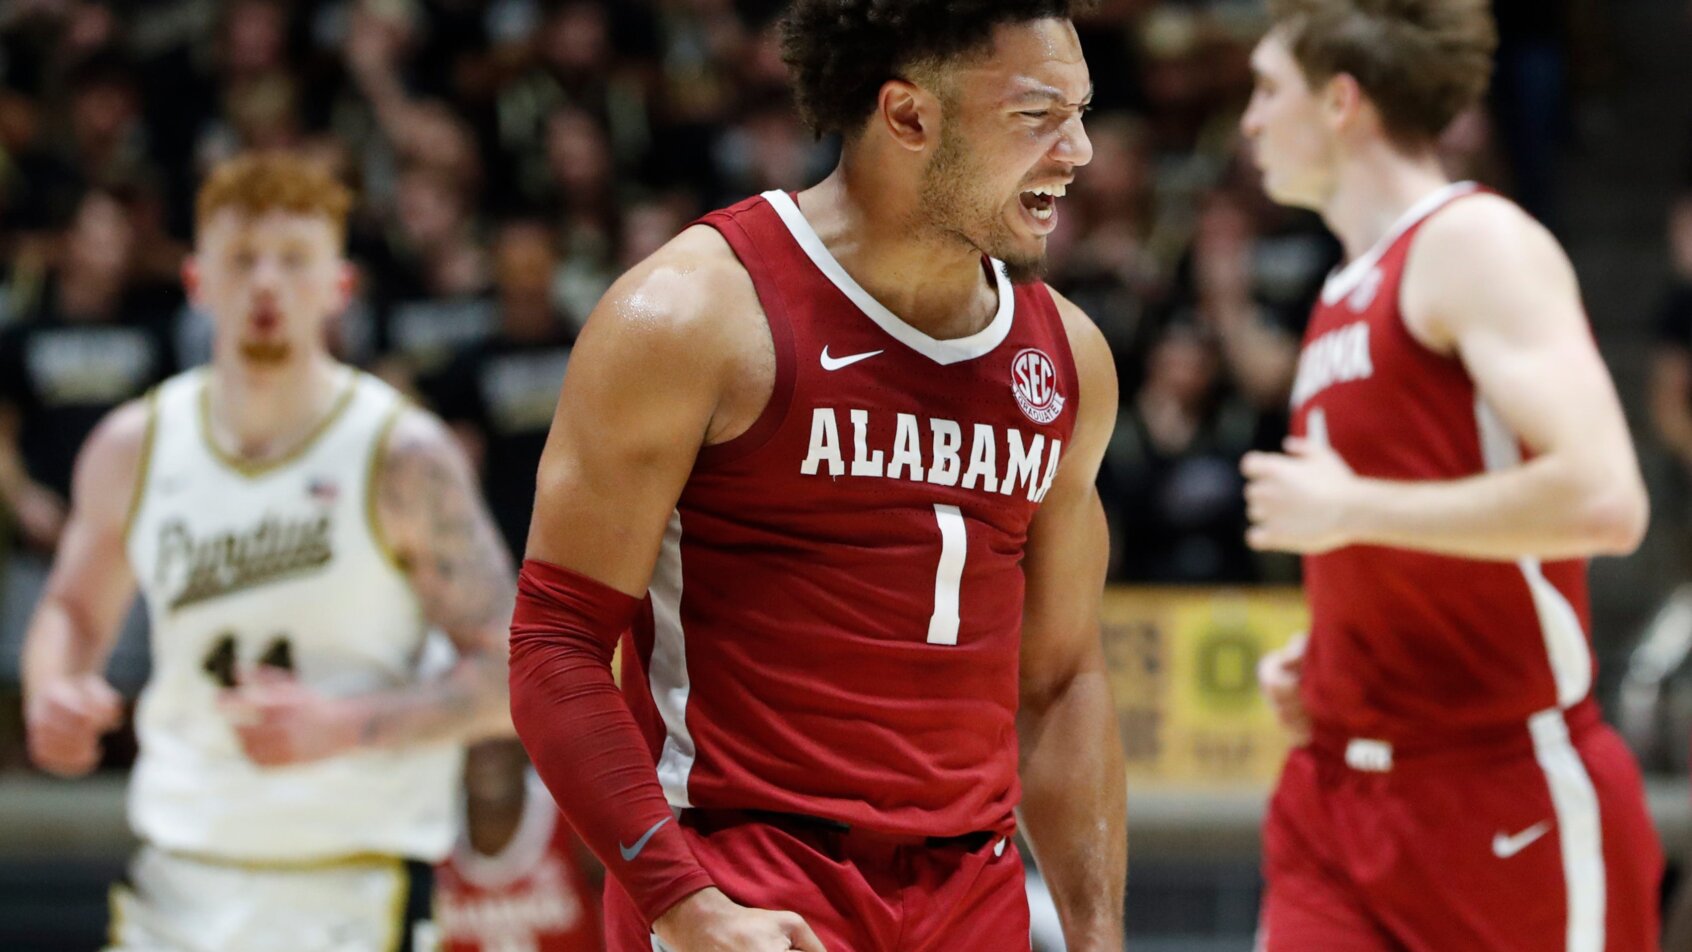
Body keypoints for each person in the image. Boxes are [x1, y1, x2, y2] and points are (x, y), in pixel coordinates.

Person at [506, 1, 1128, 950]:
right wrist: (682, 904)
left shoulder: (1068, 359)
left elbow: (1061, 680)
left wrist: (1095, 935)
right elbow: (554, 644)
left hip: (974, 893)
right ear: (909, 117)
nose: (1079, 150)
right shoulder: (693, 316)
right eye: (1037, 115)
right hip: (749, 882)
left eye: (1082, 111)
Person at [1238, 2, 1661, 950]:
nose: (1250, 121)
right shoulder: (1345, 287)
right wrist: (1335, 651)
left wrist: (1350, 506)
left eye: (1268, 89)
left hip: (1500, 794)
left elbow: (1603, 498)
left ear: (1342, 100)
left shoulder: (1475, 245)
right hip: (1337, 787)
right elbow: (1408, 526)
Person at [20, 152, 517, 952]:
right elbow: (75, 608)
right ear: (195, 282)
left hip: (356, 883)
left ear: (339, 288)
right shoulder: (133, 445)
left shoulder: (402, 454)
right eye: (242, 259)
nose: (265, 283)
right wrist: (54, 688)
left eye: (293, 260)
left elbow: (512, 674)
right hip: (176, 876)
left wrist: (343, 726)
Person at [434, 739, 605, 952]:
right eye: (476, 740)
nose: (487, 746)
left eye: (494, 736)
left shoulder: (573, 813)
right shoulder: (428, 829)